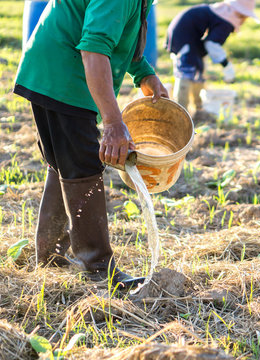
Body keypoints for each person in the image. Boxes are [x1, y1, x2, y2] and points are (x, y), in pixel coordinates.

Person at [13, 0, 168, 289]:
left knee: (65, 162)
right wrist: (112, 122)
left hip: (50, 71)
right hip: (63, 76)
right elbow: (94, 48)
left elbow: (121, 34)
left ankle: (51, 259)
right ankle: (97, 269)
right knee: (83, 163)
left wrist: (144, 73)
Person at [166, 0, 259, 112]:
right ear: (241, 14)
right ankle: (180, 112)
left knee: (198, 68)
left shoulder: (223, 11)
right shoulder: (226, 20)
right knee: (186, 70)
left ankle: (198, 108)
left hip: (184, 33)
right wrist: (226, 65)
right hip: (184, 37)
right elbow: (211, 44)